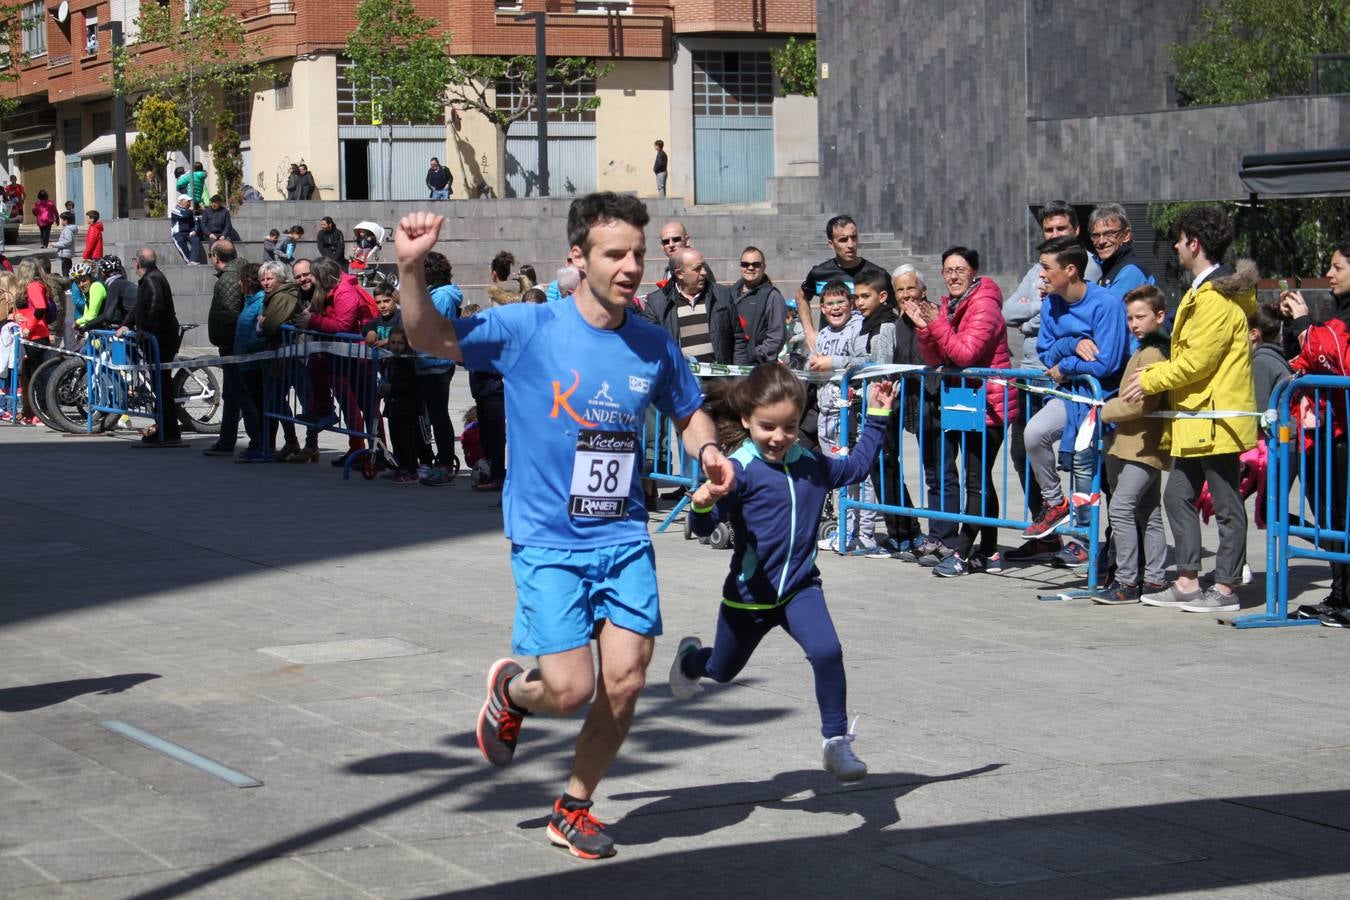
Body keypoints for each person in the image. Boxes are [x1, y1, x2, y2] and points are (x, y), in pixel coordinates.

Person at [396, 192, 733, 861]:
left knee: (629, 676)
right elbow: (428, 337)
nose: (631, 266)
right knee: (572, 689)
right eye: (616, 254)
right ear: (578, 257)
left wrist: (709, 450)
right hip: (549, 541)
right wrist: (411, 269)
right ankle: (514, 694)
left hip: (624, 536)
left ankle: (574, 806)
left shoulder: (652, 344)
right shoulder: (529, 328)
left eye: (638, 253)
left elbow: (689, 409)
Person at [671, 365, 897, 782]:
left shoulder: (811, 464)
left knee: (828, 652)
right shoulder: (737, 471)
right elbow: (703, 529)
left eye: (790, 427)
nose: (779, 437)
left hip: (799, 590)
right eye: (768, 427)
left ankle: (835, 742)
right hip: (748, 598)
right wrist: (702, 501)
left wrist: (878, 417)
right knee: (721, 671)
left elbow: (858, 467)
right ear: (746, 420)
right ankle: (691, 661)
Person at [1124, 206, 1257, 614]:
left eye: (1180, 241)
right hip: (1196, 419)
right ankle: (1186, 581)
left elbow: (1198, 361)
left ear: (1194, 244)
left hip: (1216, 419)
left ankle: (1227, 587)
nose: (1177, 247)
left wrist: (1150, 378)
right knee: (1178, 497)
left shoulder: (1214, 298)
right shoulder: (1204, 293)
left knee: (1226, 506)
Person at [907, 247, 1021, 576]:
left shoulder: (984, 305)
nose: (953, 276)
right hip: (967, 401)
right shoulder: (950, 306)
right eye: (948, 270)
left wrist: (937, 325)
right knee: (979, 478)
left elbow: (966, 353)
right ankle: (989, 552)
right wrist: (925, 329)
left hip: (991, 404)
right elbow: (937, 358)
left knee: (976, 478)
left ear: (974, 272)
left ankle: (960, 550)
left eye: (960, 269)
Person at [1022, 236, 1128, 542]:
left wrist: (1067, 366)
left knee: (1093, 472)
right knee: (1034, 434)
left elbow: (1106, 363)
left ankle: (1093, 541)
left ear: (1070, 270)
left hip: (1102, 399)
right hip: (1070, 395)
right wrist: (1072, 344)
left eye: (1046, 267)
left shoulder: (1106, 304)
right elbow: (1045, 351)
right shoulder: (1052, 302)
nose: (1040, 274)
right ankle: (1055, 503)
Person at [1278, 239, 1350, 626]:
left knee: (1344, 512)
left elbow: (1333, 358)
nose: (1329, 274)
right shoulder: (1335, 310)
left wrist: (1306, 322)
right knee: (1330, 515)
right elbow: (1302, 361)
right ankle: (1340, 595)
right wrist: (1295, 325)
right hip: (1327, 430)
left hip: (1345, 431)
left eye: (1337, 267)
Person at [1092, 285, 1171, 605]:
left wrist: (1105, 410)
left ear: (1159, 316)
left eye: (1141, 317)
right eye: (1130, 318)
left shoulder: (1153, 352)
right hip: (1130, 444)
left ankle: (1127, 580)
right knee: (1148, 511)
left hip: (1143, 446)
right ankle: (1153, 578)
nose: (1134, 324)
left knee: (1122, 508)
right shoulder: (1143, 349)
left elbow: (1141, 404)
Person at [809, 279, 882, 555]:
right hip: (827, 413)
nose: (836, 308)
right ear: (822, 308)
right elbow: (813, 362)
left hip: (850, 414)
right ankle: (845, 529)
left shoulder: (859, 328)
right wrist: (812, 364)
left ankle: (865, 533)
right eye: (830, 304)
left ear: (850, 304)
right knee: (837, 475)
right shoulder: (824, 334)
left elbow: (863, 360)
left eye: (841, 302)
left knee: (860, 476)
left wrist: (833, 363)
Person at [796, 214, 890, 351]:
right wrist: (809, 332)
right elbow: (801, 295)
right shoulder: (819, 273)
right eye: (843, 240)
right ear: (831, 244)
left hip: (866, 349)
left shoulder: (877, 274)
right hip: (831, 349)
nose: (850, 244)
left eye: (854, 237)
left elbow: (897, 306)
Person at [119, 249, 182, 445]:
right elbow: (139, 307)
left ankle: (168, 431)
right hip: (159, 339)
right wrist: (126, 324)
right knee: (160, 386)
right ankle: (165, 428)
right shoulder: (152, 278)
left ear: (138, 263)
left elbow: (155, 305)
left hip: (160, 341)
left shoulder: (152, 279)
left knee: (162, 387)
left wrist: (144, 329)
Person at [416, 251, 463, 485]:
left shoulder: (442, 296)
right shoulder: (432, 294)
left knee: (438, 415)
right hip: (425, 360)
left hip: (436, 362)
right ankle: (428, 459)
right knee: (428, 415)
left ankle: (444, 462)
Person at [640, 246, 735, 364]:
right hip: (680, 380)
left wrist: (739, 378)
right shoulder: (656, 303)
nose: (704, 272)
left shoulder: (722, 295)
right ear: (680, 274)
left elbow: (739, 338)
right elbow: (649, 345)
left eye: (703, 266)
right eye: (697, 269)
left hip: (720, 380)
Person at [202, 240, 247, 457]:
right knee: (239, 394)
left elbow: (231, 313)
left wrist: (227, 339)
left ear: (216, 257)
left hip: (234, 347)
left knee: (234, 394)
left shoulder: (228, 278)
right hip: (235, 345)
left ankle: (227, 440)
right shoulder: (239, 271)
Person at [257, 259, 305, 459]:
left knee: (307, 403)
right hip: (278, 355)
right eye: (263, 279)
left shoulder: (284, 296)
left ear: (281, 279)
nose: (266, 282)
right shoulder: (271, 297)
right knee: (276, 401)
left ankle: (310, 445)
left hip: (293, 356)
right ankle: (291, 441)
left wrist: (262, 324)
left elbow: (269, 326)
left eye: (270, 279)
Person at [231, 263, 269, 462]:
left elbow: (260, 332)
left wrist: (250, 347)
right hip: (244, 362)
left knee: (256, 406)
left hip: (254, 363)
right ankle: (256, 442)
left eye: (241, 279)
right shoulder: (249, 301)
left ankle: (261, 443)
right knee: (249, 406)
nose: (238, 283)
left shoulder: (261, 301)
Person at [380, 329, 426, 484]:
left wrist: (391, 388)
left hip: (408, 406)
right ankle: (400, 466)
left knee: (407, 439)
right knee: (396, 438)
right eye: (393, 342)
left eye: (400, 343)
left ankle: (411, 470)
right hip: (393, 405)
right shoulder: (390, 359)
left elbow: (410, 386)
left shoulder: (409, 361)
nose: (396, 346)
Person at [730, 246, 786, 365]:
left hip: (758, 368)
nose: (750, 268)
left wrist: (754, 355)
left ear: (763, 267)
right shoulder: (729, 293)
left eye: (756, 264)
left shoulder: (773, 296)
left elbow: (776, 337)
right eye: (745, 264)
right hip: (731, 365)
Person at [1088, 203, 1155, 303]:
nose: (1101, 241)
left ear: (1126, 235)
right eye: (1096, 236)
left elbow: (1109, 311)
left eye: (1109, 234)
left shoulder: (1131, 271)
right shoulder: (1109, 269)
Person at [169, 195, 199, 265]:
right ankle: (189, 261)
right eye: (187, 201)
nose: (189, 203)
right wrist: (191, 211)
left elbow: (193, 222)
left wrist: (194, 230)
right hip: (177, 233)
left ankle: (193, 260)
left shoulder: (189, 211)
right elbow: (184, 215)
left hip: (188, 232)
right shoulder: (175, 210)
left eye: (189, 202)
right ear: (181, 201)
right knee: (180, 241)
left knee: (196, 239)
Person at [52, 211, 78, 278]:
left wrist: (55, 244)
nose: (61, 221)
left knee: (65, 272)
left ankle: (67, 283)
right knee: (68, 269)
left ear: (66, 220)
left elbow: (68, 241)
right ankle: (68, 281)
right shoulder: (68, 229)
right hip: (67, 253)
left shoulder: (67, 230)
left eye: (62, 220)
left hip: (65, 254)